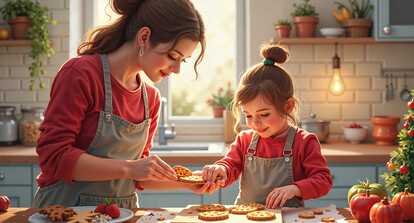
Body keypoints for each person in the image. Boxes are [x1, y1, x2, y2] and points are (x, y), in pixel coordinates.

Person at [33, 0, 215, 208]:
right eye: (172, 56)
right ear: (144, 37)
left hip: (120, 220)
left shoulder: (150, 99)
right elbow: (53, 156)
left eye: (182, 60)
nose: (176, 69)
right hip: (64, 216)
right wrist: (129, 168)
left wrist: (188, 183)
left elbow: (140, 176)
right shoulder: (81, 74)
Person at [201, 42, 333, 209]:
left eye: (264, 114)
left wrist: (295, 189)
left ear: (288, 107)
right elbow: (231, 166)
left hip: (289, 222)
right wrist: (221, 170)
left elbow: (323, 181)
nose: (255, 123)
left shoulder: (304, 142)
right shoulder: (244, 140)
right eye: (248, 115)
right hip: (246, 220)